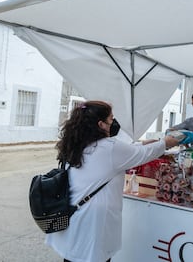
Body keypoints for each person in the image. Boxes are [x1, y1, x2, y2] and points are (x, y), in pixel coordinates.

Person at [46, 100, 181, 262]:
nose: (114, 123)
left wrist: (142, 144)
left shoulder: (77, 144)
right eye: (111, 119)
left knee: (73, 258)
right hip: (93, 223)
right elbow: (139, 155)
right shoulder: (108, 148)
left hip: (74, 216)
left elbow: (126, 151)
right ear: (101, 124)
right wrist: (166, 143)